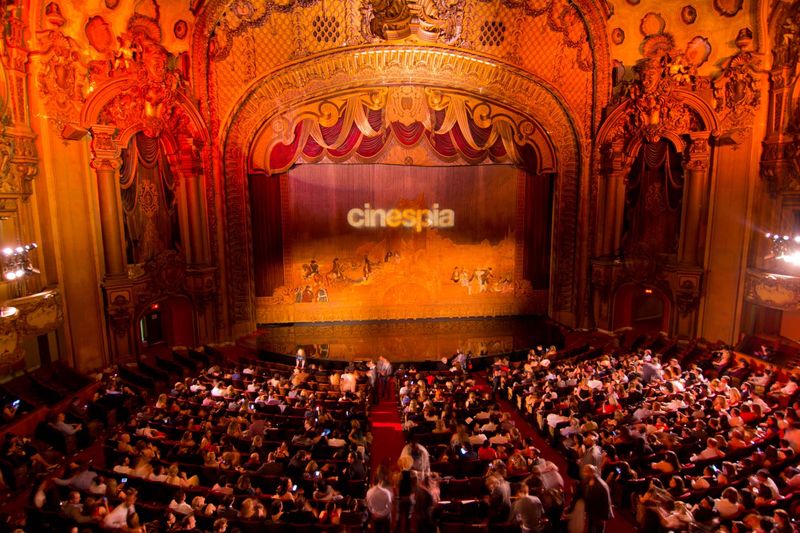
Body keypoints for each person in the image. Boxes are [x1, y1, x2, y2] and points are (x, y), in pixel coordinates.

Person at [581, 464, 613, 533]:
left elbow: (606, 502)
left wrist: (603, 517)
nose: (583, 473)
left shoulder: (602, 485)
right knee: (590, 528)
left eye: (585, 472)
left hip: (599, 514)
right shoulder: (588, 481)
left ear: (591, 473)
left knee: (598, 530)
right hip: (592, 511)